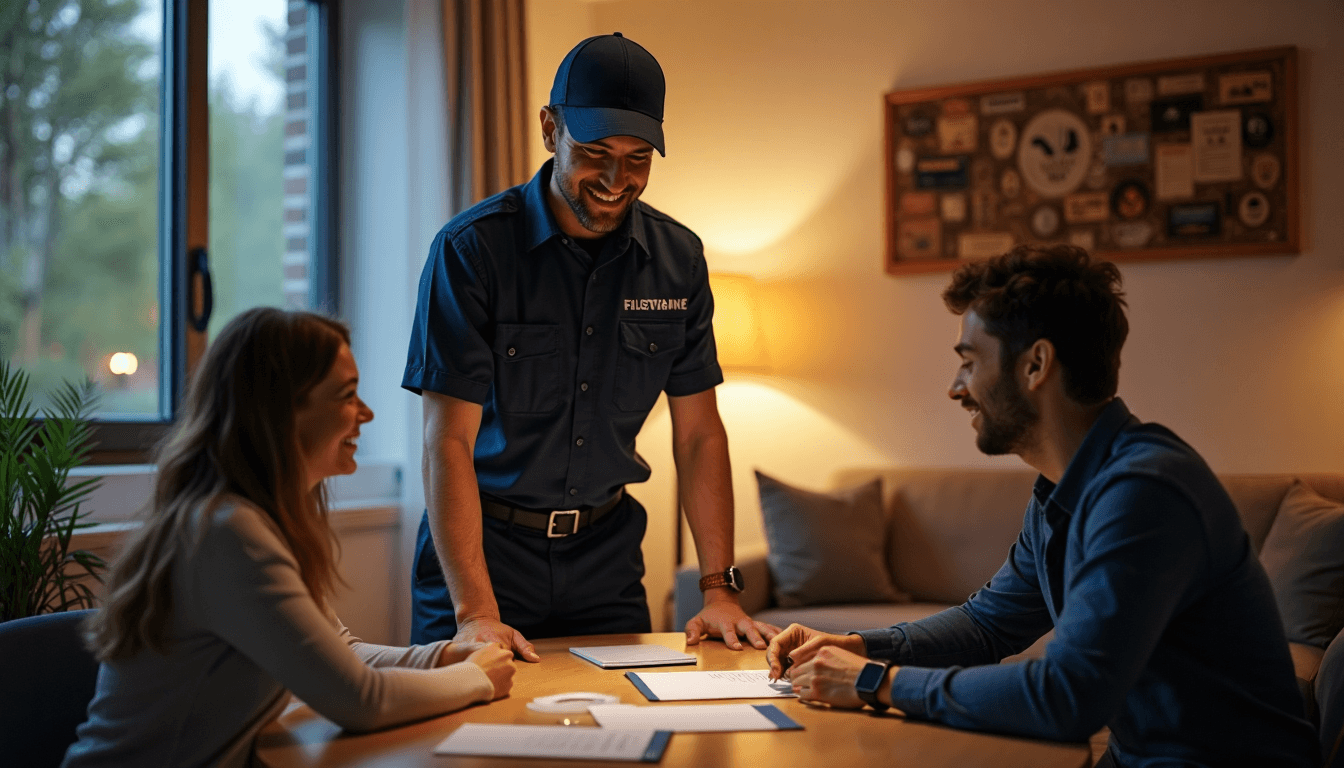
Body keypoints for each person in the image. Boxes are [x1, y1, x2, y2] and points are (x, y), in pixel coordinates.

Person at [765, 245, 1318, 768]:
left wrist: (874, 682)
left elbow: (1067, 696)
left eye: (968, 361)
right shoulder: (1063, 488)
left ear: (1035, 366)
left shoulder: (1145, 491)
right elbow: (987, 626)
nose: (955, 388)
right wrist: (857, 645)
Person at [403, 32, 775, 659]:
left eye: (637, 158)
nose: (614, 178)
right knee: (468, 745)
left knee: (626, 740)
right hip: (485, 556)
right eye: (595, 150)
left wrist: (719, 591)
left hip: (606, 559)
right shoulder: (471, 253)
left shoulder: (678, 260)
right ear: (551, 130)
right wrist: (475, 613)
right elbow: (448, 442)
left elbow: (700, 434)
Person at [64, 309, 515, 768]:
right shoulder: (228, 533)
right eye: (346, 396)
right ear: (281, 413)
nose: (366, 413)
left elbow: (343, 652)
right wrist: (474, 677)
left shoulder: (253, 519)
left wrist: (444, 656)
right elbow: (358, 700)